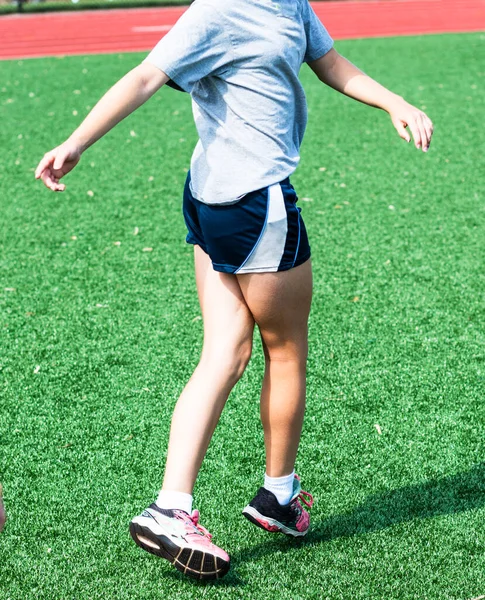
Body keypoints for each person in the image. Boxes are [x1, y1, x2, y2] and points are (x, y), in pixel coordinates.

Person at [35, 0, 433, 581]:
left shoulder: (290, 3)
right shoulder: (216, 11)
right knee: (287, 349)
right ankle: (279, 496)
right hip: (254, 202)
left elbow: (328, 62)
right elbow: (147, 74)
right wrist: (77, 143)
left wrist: (394, 102)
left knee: (226, 352)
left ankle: (172, 506)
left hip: (210, 196)